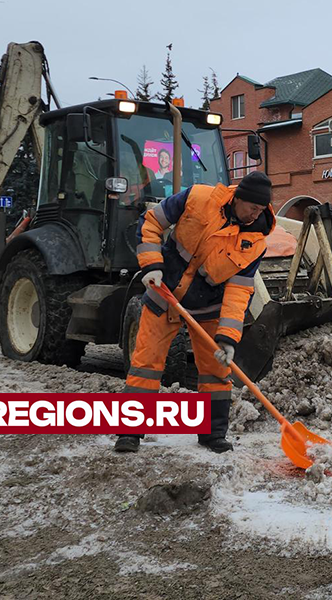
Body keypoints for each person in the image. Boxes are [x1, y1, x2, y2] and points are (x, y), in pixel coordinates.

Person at [115, 171, 275, 454]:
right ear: (238, 198)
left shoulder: (255, 242)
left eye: (261, 210)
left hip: (209, 307)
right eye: (252, 207)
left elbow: (239, 292)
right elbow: (151, 221)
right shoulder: (198, 198)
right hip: (164, 294)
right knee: (145, 365)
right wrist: (151, 264)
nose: (255, 214)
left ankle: (212, 434)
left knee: (216, 371)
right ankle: (129, 433)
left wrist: (227, 337)